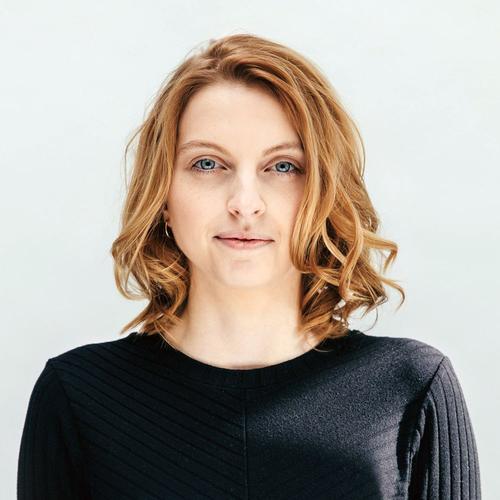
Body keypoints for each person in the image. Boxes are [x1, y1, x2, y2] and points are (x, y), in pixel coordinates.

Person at [17, 33, 481, 499]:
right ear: (163, 196)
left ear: (325, 191)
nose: (244, 203)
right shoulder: (77, 396)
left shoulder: (411, 388)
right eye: (207, 164)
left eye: (283, 167)